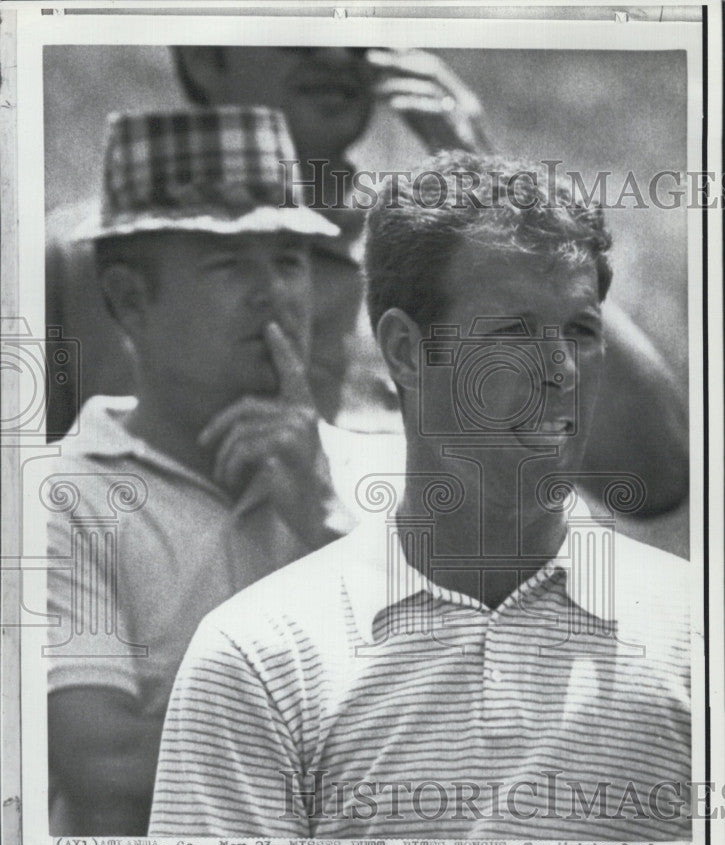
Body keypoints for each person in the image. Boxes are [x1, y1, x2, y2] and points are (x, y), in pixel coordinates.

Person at [149, 153, 691, 840]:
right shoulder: (259, 658)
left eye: (579, 331)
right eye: (514, 331)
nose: (560, 370)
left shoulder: (696, 640)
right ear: (405, 350)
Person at [46, 45, 688, 515]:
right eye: (298, 24)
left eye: (362, 33)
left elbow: (652, 476)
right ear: (206, 53)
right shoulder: (83, 258)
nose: (335, 54)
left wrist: (500, 191)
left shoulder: (440, 253)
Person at [46, 106, 343, 835]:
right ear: (128, 300)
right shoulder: (57, 497)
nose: (272, 292)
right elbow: (107, 769)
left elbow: (459, 722)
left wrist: (325, 524)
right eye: (226, 263)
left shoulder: (367, 475)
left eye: (288, 259)